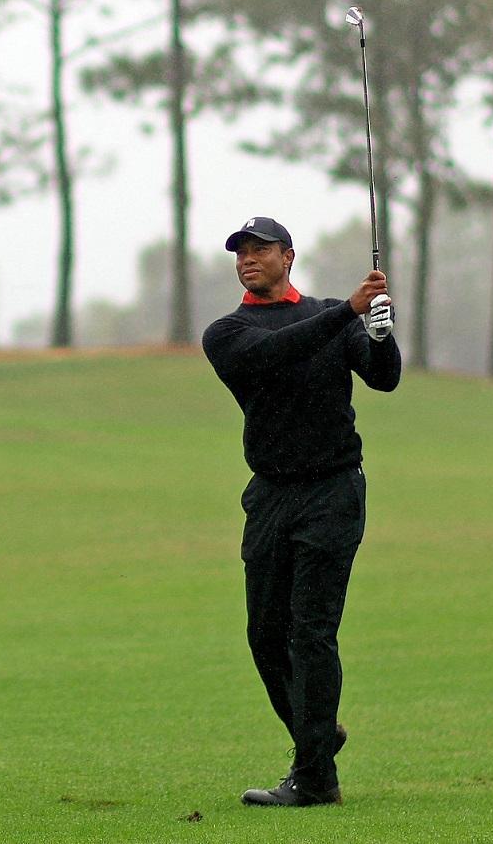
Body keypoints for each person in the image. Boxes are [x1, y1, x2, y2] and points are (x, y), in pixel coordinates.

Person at [201, 216, 401, 807]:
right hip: (269, 494)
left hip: (333, 490)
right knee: (265, 634)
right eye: (240, 252)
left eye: (260, 250)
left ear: (288, 256)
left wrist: (383, 334)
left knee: (312, 631)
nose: (247, 259)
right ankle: (317, 735)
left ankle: (316, 779)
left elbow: (384, 380)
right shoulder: (228, 331)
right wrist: (347, 311)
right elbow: (271, 354)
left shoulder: (328, 316)